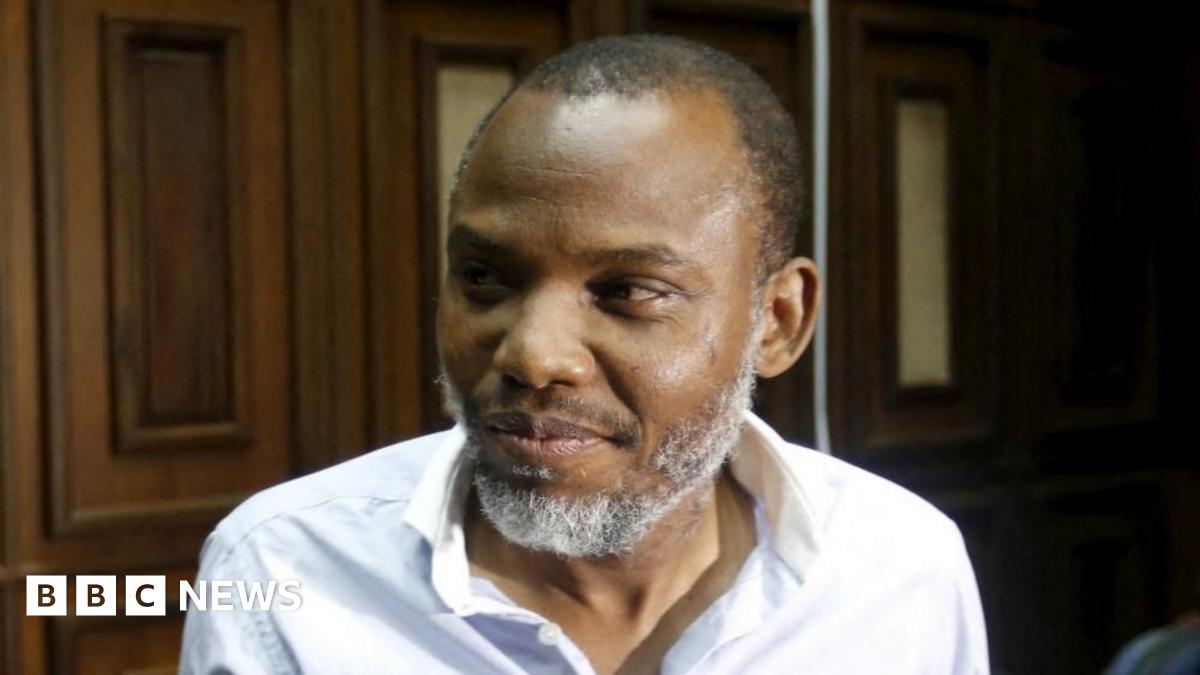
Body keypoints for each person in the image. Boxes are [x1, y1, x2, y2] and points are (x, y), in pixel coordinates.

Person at [179, 34, 989, 674]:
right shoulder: (283, 571)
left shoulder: (899, 569)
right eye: (484, 278)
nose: (535, 355)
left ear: (776, 321)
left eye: (629, 291)